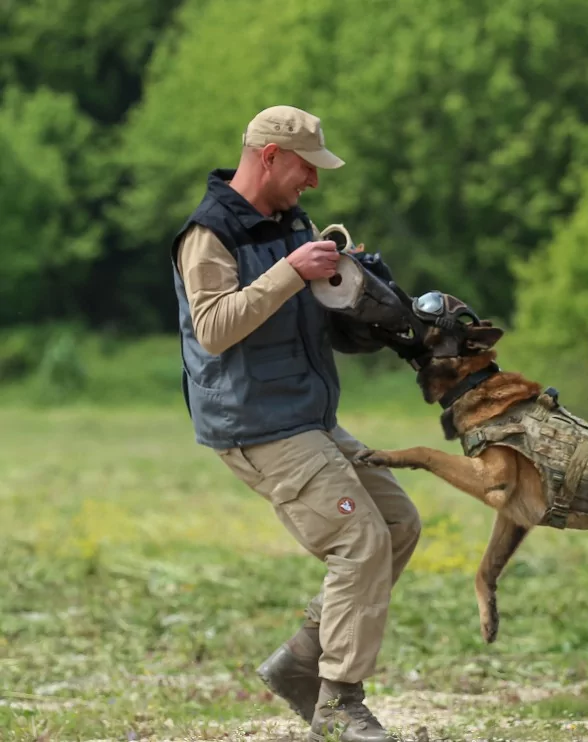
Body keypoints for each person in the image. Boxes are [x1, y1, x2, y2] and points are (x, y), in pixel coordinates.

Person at [170, 105, 421, 742]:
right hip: (256, 422)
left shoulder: (290, 220)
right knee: (359, 541)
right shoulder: (209, 235)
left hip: (305, 413)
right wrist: (290, 272)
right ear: (270, 157)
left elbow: (311, 309)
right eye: (306, 168)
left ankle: (302, 659)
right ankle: (338, 704)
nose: (312, 183)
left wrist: (359, 294)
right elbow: (216, 328)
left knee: (397, 523)